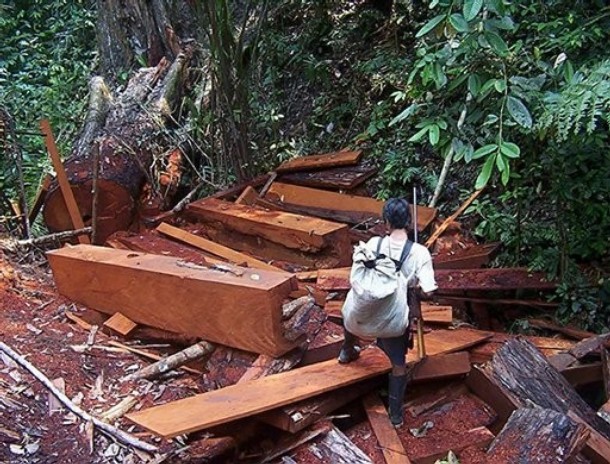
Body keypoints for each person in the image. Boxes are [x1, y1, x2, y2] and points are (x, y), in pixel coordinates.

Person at [338, 197, 437, 427]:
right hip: (392, 323)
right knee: (398, 363)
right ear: (408, 221)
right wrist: (414, 287)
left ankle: (347, 350)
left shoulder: (373, 244)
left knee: (352, 308)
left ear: (386, 222)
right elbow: (429, 291)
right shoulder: (420, 253)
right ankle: (396, 415)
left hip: (360, 319)